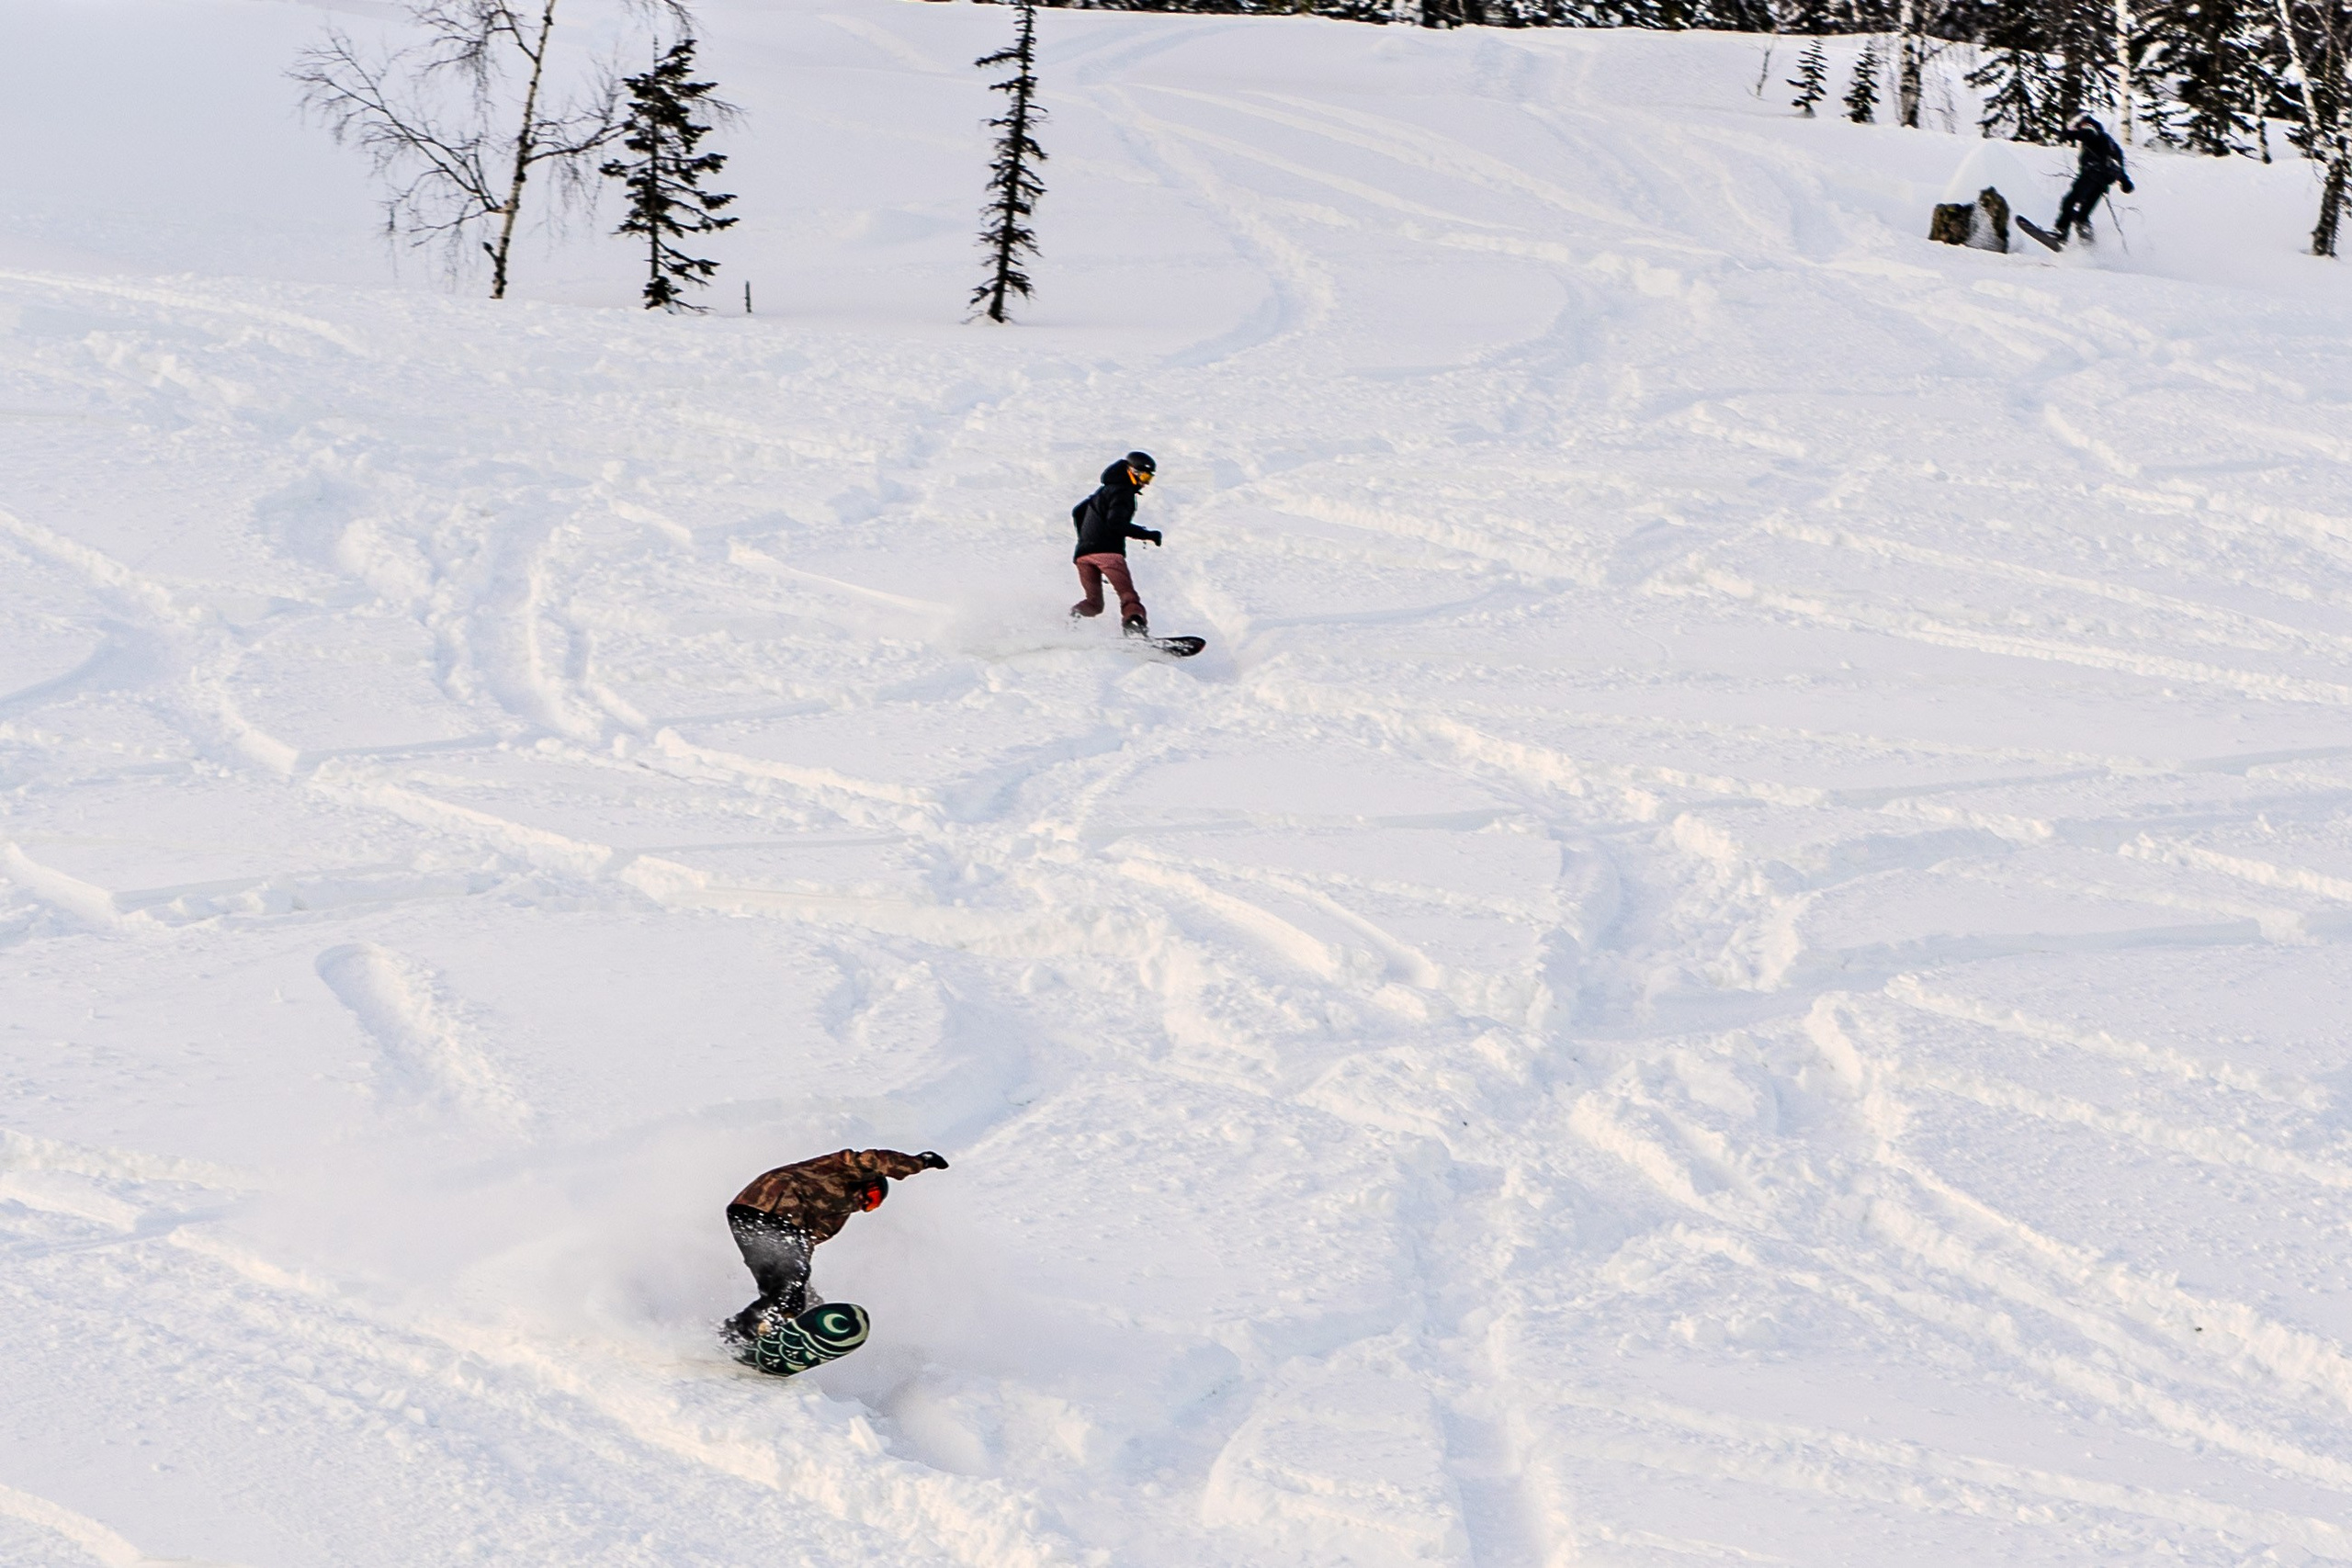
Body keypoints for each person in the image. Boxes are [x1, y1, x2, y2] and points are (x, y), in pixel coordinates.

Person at [721, 1146, 948, 1371]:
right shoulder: (845, 1169)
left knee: (786, 1291)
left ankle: (741, 1334)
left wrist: (809, 1304)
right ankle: (745, 1332)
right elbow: (875, 1160)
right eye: (873, 1196)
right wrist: (920, 1162)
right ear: (868, 1184)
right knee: (789, 1285)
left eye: (873, 1205)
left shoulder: (835, 1218)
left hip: (751, 1220)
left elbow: (802, 1250)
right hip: (770, 1205)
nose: (865, 1204)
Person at [1069, 450, 1161, 637]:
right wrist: (1148, 535)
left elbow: (1078, 512)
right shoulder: (1124, 492)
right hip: (1108, 553)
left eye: (1149, 478)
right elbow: (1116, 523)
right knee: (1128, 597)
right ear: (1131, 471)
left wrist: (1086, 539)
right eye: (1144, 476)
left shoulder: (1102, 492)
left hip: (1083, 555)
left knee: (1094, 604)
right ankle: (1135, 633)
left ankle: (1071, 621)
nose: (1145, 483)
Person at [2052, 114, 2132, 246]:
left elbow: (2087, 134)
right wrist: (2125, 181)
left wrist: (2068, 134)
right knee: (2083, 216)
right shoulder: (2111, 144)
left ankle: (2060, 234)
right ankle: (2088, 246)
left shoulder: (2090, 129)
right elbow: (2118, 165)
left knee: (2069, 202)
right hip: (2102, 185)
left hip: (2090, 175)